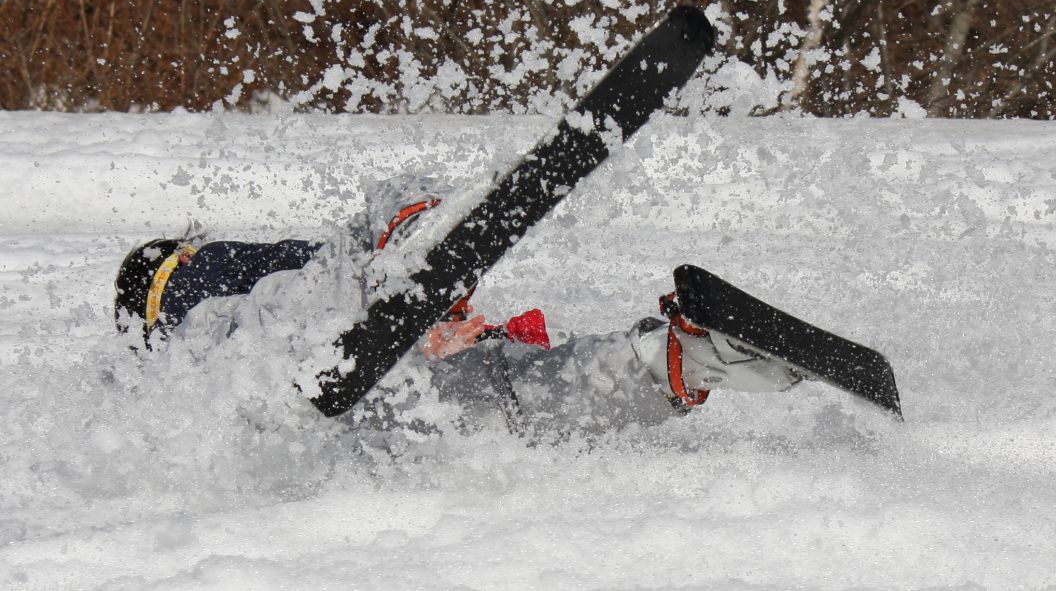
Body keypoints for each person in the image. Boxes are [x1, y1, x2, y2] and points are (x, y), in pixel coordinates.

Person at [114, 176, 804, 439]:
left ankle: (679, 362)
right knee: (497, 386)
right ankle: (414, 239)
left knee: (502, 395)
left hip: (343, 411)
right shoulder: (192, 282)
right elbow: (313, 283)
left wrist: (420, 332)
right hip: (298, 360)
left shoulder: (183, 387)